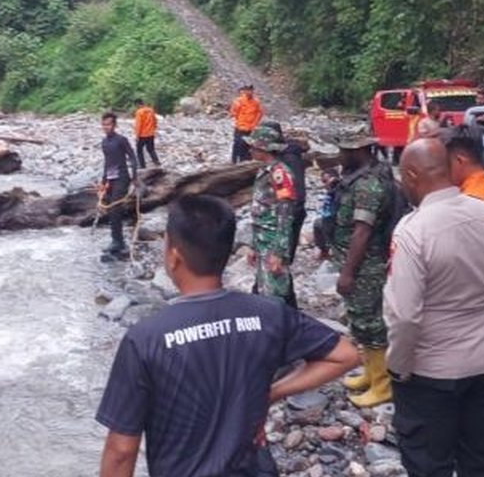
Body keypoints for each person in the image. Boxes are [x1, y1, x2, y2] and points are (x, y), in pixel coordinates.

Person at [96, 195, 361, 477]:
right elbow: (345, 355)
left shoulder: (146, 339)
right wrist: (271, 393)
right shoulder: (268, 314)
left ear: (174, 256)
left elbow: (121, 452)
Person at [384, 139, 484, 476]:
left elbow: (405, 315)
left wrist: (399, 367)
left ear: (412, 174)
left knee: (429, 464)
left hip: (431, 372)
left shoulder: (414, 231)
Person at [330, 128, 397, 407]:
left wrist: (348, 272)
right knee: (359, 319)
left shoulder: (369, 185)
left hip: (365, 265)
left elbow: (362, 232)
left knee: (370, 322)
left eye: (344, 150)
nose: (340, 155)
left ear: (357, 151)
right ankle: (370, 373)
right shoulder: (359, 177)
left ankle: (382, 385)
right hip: (360, 262)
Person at [245, 124, 299, 308]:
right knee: (264, 287)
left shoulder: (280, 174)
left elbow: (286, 214)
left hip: (273, 239)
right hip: (262, 239)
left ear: (264, 148)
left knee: (275, 291)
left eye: (254, 146)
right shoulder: (264, 171)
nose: (250, 149)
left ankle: (282, 327)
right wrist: (253, 246)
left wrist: (278, 251)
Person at [262, 120, 309, 264]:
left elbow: (296, 190)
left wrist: (291, 213)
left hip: (290, 213)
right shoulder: (279, 157)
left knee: (282, 264)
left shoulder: (289, 159)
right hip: (283, 213)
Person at [99, 111, 139, 262]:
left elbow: (133, 157)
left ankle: (118, 242)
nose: (106, 127)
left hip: (122, 178)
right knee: (110, 210)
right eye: (103, 124)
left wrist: (134, 176)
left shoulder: (121, 140)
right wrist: (103, 181)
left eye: (108, 124)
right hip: (111, 179)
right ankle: (117, 240)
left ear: (114, 125)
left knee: (116, 209)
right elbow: (107, 163)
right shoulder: (104, 142)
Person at [230, 84, 265, 163]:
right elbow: (233, 113)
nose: (249, 92)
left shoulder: (256, 102)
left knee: (248, 145)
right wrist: (238, 122)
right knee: (237, 144)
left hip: (250, 128)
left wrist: (254, 124)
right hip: (240, 127)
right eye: (247, 90)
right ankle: (234, 161)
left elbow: (259, 113)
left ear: (253, 91)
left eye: (250, 90)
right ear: (244, 91)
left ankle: (245, 161)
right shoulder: (238, 101)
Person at [133, 98, 160, 167]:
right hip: (151, 134)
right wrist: (154, 129)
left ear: (137, 104)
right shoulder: (151, 110)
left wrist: (137, 136)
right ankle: (156, 162)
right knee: (151, 149)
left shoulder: (139, 112)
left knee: (139, 150)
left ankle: (142, 165)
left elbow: (138, 125)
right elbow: (155, 121)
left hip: (142, 135)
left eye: (136, 106)